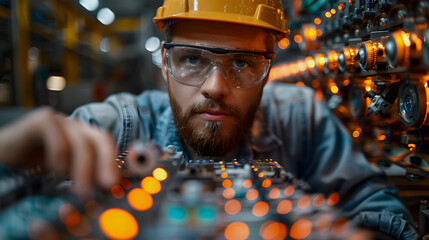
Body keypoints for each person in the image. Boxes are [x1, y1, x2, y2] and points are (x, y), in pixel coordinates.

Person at [0, 0, 419, 239]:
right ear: (164, 64)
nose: (215, 87)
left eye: (242, 62)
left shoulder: (299, 118)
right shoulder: (112, 127)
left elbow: (378, 212)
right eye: (192, 59)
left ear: (269, 69)